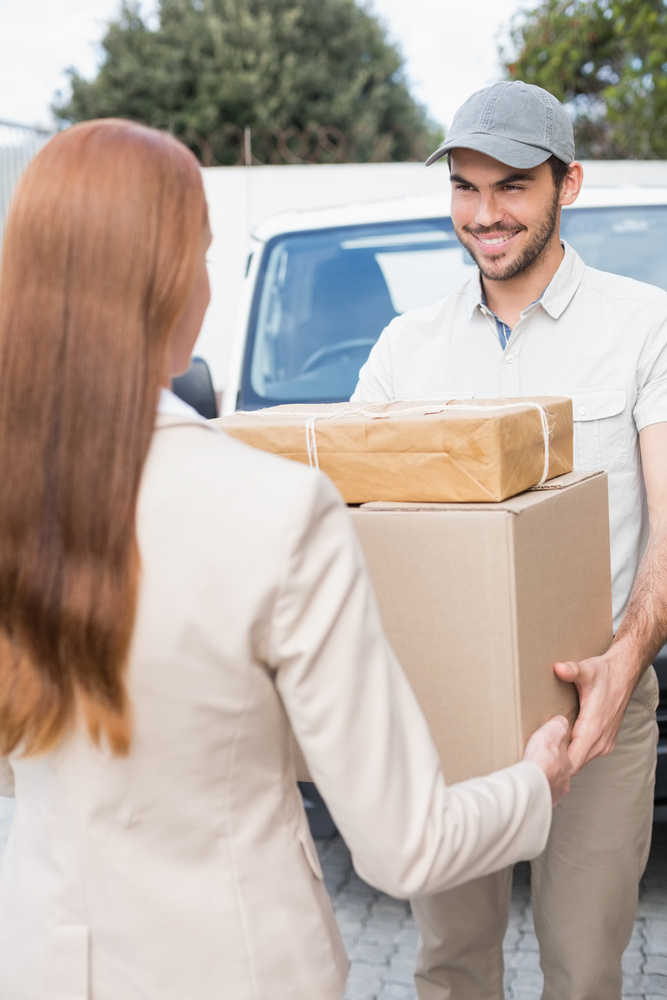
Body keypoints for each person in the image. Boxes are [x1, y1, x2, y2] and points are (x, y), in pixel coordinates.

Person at [0, 119, 571, 1000]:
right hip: (232, 970)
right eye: (201, 256)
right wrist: (539, 779)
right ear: (173, 281)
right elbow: (406, 844)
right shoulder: (274, 508)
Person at [352, 80, 665, 1000]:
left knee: (584, 972)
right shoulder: (404, 349)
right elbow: (344, 525)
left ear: (568, 184)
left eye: (511, 187)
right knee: (450, 968)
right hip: (445, 717)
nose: (484, 215)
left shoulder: (644, 326)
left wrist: (624, 663)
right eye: (465, 187)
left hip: (598, 707)